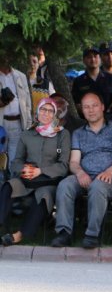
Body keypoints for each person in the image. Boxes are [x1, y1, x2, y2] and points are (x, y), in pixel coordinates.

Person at [51, 91, 112, 249]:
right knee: (65, 185)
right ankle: (64, 233)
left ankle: (92, 234)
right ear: (81, 110)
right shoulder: (78, 133)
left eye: (94, 106)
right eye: (86, 107)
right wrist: (80, 173)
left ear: (103, 107)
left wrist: (109, 172)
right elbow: (74, 161)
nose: (91, 110)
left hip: (111, 178)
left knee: (97, 187)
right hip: (84, 175)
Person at [0, 98, 70, 246]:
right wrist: (23, 169)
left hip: (47, 181)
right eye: (43, 110)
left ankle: (18, 235)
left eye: (50, 111)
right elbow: (16, 162)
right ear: (37, 113)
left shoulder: (62, 135)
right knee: (8, 186)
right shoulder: (27, 134)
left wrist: (41, 171)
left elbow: (63, 166)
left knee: (43, 197)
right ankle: (2, 227)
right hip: (26, 180)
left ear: (55, 115)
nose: (46, 113)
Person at [71, 46, 112, 120]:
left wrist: (106, 114)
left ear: (100, 58)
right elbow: (77, 104)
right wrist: (92, 115)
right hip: (87, 121)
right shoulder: (78, 81)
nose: (93, 59)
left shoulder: (111, 78)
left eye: (95, 56)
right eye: (89, 57)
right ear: (84, 60)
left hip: (109, 120)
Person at [0, 54, 32, 161]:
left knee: (15, 155)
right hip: (1, 122)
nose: (5, 57)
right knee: (1, 153)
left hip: (18, 122)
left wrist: (28, 122)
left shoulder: (20, 76)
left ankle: (12, 176)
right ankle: (2, 177)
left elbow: (27, 102)